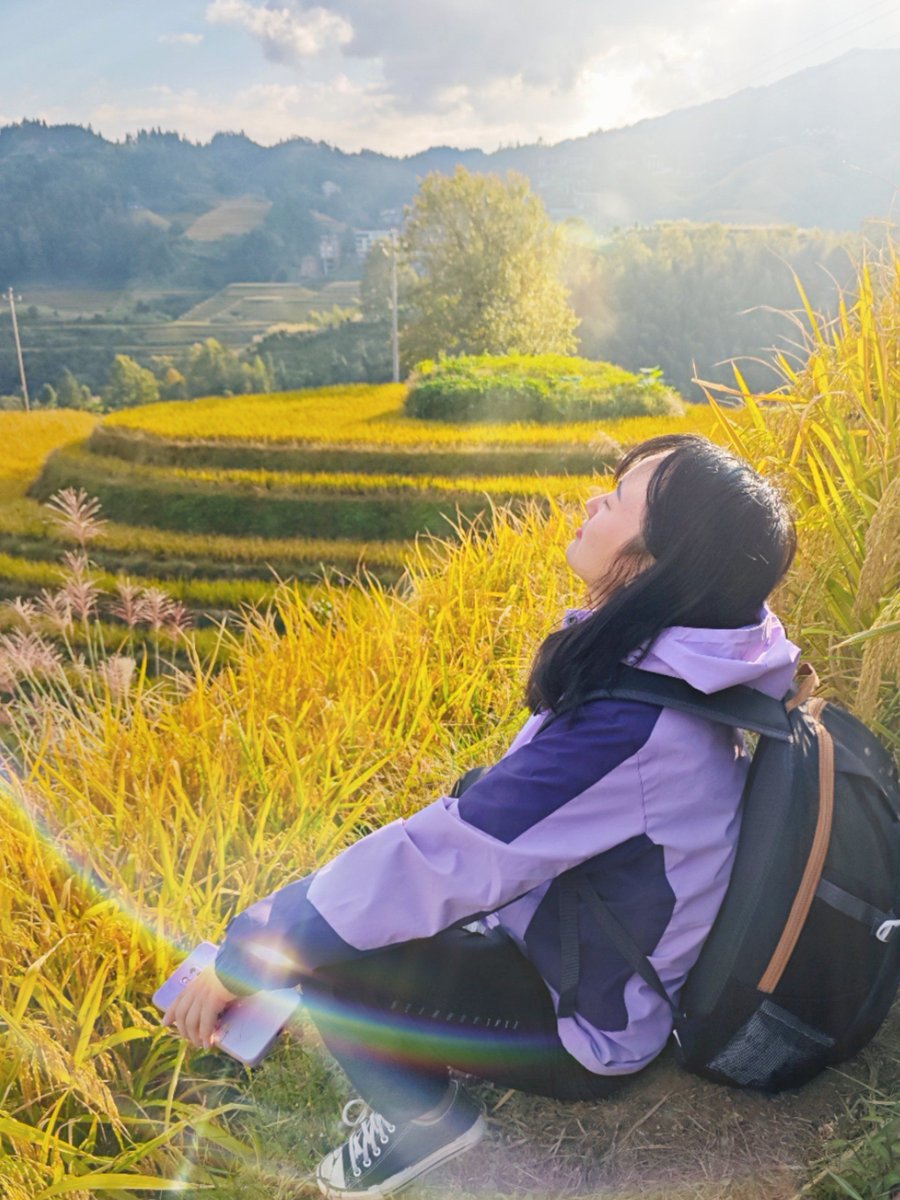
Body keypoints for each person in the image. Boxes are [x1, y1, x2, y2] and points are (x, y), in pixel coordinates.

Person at [160, 433, 800, 1199]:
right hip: (583, 946)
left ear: (660, 564)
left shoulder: (628, 732)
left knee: (325, 957)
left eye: (621, 499)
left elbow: (442, 858)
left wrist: (253, 952)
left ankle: (421, 1121)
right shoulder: (703, 655)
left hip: (592, 1029)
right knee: (348, 909)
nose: (595, 500)